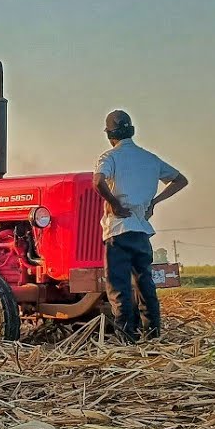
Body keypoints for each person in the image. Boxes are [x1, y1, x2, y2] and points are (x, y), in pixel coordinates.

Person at [92, 110, 189, 343]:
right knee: (145, 284)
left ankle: (126, 338)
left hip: (118, 230)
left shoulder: (110, 157)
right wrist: (154, 202)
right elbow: (180, 180)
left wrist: (114, 204)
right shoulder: (150, 159)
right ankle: (152, 335)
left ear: (110, 135)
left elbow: (98, 181)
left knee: (119, 287)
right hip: (142, 231)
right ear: (132, 132)